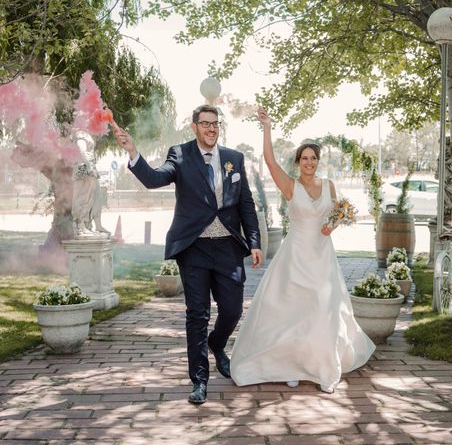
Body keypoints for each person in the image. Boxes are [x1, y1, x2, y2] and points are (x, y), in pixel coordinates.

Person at [114, 105, 263, 404]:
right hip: (193, 247)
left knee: (233, 309)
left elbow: (245, 203)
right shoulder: (180, 154)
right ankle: (199, 380)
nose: (211, 128)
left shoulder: (234, 158)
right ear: (194, 126)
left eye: (215, 123)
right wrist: (133, 152)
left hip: (227, 248)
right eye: (205, 123)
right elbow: (155, 178)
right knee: (197, 314)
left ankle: (216, 344)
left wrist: (255, 240)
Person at [230, 107, 375, 393]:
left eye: (314, 158)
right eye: (305, 158)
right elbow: (270, 162)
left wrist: (332, 226)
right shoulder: (290, 186)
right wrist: (268, 128)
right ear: (298, 161)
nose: (310, 162)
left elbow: (334, 217)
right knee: (292, 312)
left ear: (318, 161)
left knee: (324, 309)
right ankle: (292, 365)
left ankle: (322, 368)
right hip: (294, 256)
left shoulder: (329, 185)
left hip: (322, 256)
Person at [72, 131, 109, 237]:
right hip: (84, 169)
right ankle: (81, 226)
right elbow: (82, 150)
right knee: (84, 198)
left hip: (90, 168)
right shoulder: (80, 133)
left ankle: (98, 224)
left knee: (97, 197)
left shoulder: (88, 133)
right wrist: (88, 166)